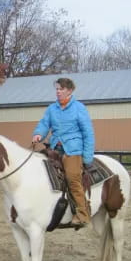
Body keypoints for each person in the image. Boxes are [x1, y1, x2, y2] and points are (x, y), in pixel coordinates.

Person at [32, 78, 95, 226]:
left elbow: (88, 133)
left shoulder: (79, 108)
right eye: (57, 89)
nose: (58, 92)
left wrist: (87, 157)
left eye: (61, 89)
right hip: (55, 148)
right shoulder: (52, 109)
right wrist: (38, 133)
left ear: (70, 91)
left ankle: (82, 214)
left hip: (73, 150)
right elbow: (44, 123)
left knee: (73, 178)